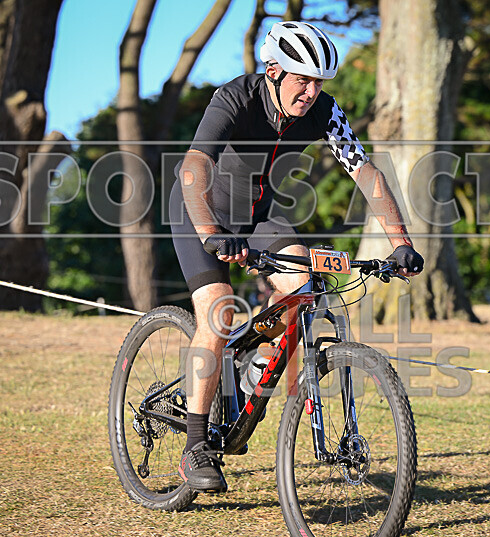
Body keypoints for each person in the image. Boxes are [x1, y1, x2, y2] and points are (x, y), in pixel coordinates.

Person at [169, 21, 424, 493]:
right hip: (198, 211)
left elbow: (365, 173)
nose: (310, 92)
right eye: (302, 80)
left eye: (319, 83)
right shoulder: (235, 98)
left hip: (258, 217)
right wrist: (210, 234)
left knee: (303, 286)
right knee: (219, 315)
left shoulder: (325, 111)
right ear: (273, 71)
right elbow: (194, 165)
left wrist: (400, 241)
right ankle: (196, 446)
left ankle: (251, 375)